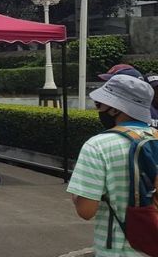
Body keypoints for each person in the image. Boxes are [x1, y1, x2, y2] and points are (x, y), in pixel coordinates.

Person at [67, 74, 157, 255]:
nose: (97, 109)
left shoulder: (98, 145)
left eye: (99, 105)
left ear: (116, 109)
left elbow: (86, 211)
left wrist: (77, 194)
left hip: (120, 249)